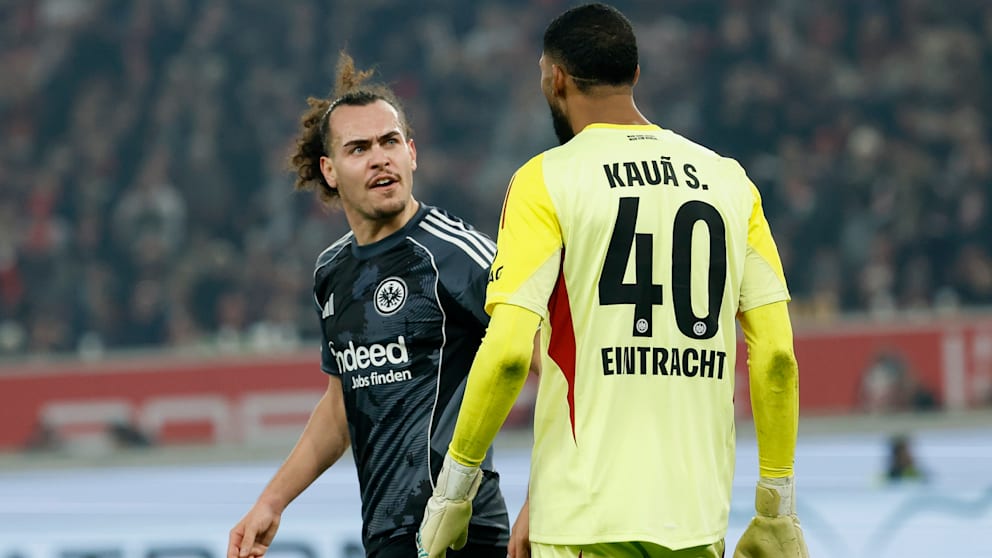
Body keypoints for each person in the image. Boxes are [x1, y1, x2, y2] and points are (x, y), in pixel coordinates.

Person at [417, 4, 808, 558]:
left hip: (580, 522)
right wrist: (776, 506)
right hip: (695, 522)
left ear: (555, 78)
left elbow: (507, 355)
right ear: (636, 76)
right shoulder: (729, 182)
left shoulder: (544, 180)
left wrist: (453, 495)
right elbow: (777, 359)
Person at [228, 52, 519, 558]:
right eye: (359, 148)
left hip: (464, 536)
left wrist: (543, 498)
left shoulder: (459, 256)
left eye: (389, 142)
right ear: (330, 170)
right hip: (387, 538)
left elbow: (557, 369)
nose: (380, 157)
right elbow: (341, 406)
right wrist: (272, 502)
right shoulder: (332, 273)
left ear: (412, 153)